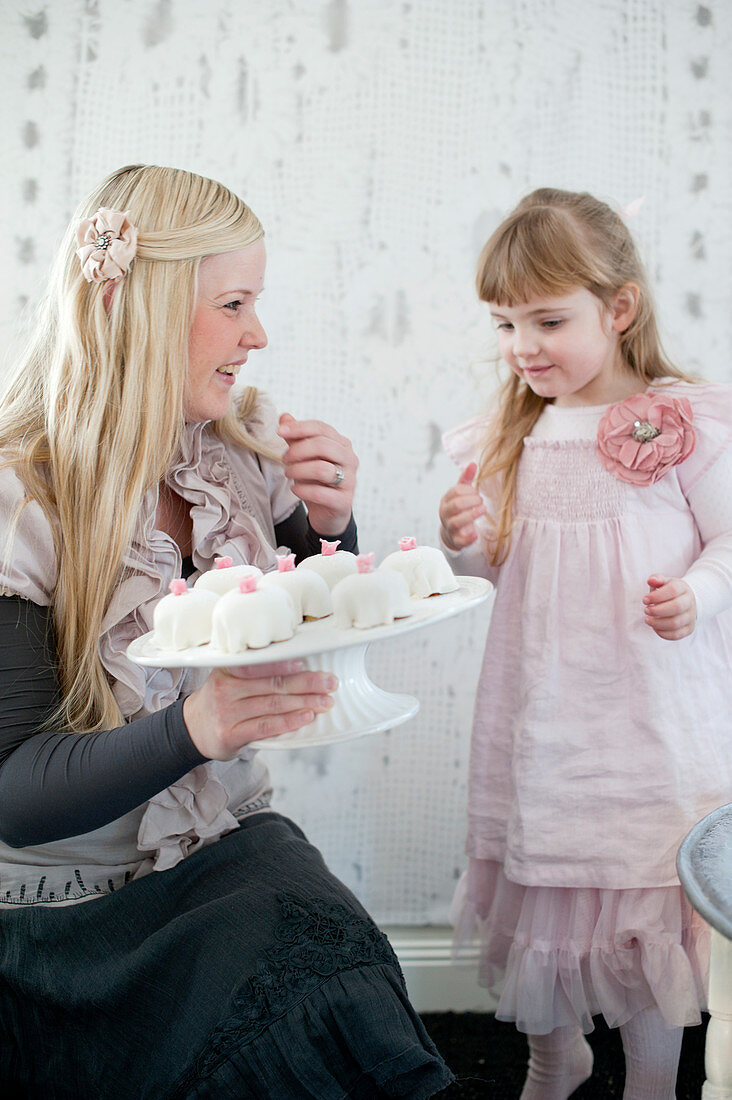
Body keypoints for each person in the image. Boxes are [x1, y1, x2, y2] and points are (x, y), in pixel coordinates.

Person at [0, 164, 453, 1098]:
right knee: (273, 1003)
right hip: (66, 911)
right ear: (147, 308)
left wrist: (333, 530)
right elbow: (12, 793)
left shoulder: (236, 447)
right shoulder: (22, 498)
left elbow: (312, 615)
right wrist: (198, 728)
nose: (258, 335)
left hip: (221, 842)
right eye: (235, 303)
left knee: (335, 969)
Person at [438, 188, 732, 1100]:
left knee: (644, 900)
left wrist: (697, 591)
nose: (524, 346)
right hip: (544, 717)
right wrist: (463, 538)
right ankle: (551, 1057)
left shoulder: (681, 426)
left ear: (619, 308)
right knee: (546, 885)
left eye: (548, 320)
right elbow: (501, 570)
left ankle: (650, 1081)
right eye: (504, 324)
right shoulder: (510, 434)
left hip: (647, 724)